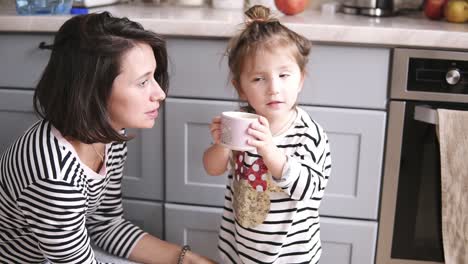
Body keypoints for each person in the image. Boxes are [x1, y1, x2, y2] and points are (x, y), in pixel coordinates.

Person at [0, 12, 215, 264]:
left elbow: (105, 225)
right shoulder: (54, 176)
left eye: (154, 77)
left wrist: (189, 259)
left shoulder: (108, 135)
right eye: (143, 82)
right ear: (93, 89)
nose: (159, 93)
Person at [203, 5, 332, 264]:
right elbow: (212, 168)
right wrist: (221, 145)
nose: (274, 88)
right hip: (238, 249)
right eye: (258, 79)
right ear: (240, 88)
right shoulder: (241, 124)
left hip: (291, 256)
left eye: (284, 75)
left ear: (301, 80)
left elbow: (310, 189)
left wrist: (271, 152)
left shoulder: (309, 135)